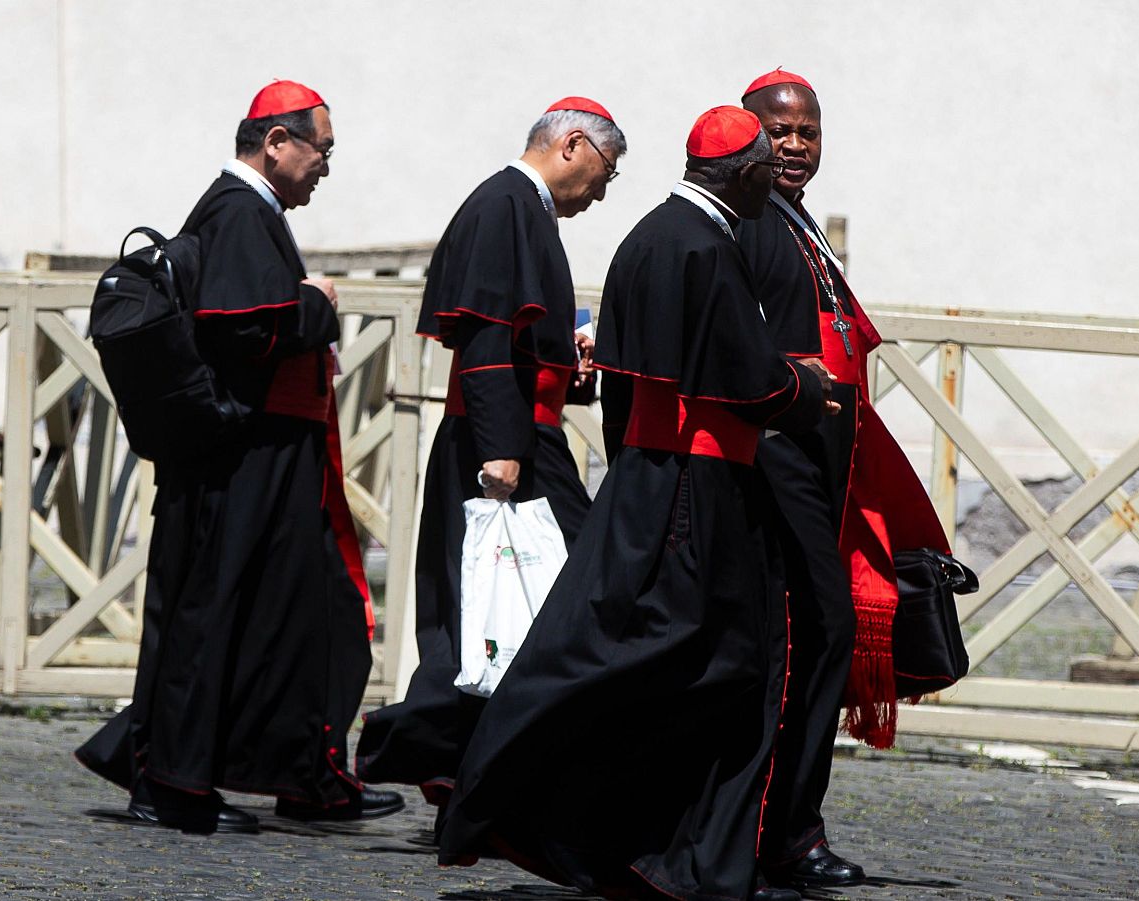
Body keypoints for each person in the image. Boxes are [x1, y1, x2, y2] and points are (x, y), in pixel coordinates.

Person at [435, 106, 833, 901]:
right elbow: (749, 380)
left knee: (639, 657)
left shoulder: (647, 237)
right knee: (714, 668)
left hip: (651, 477)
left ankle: (635, 843)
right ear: (743, 173)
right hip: (704, 485)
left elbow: (624, 379)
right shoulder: (707, 248)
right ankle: (677, 858)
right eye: (764, 169)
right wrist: (804, 386)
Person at [75, 80, 403, 833]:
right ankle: (175, 784)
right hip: (243, 455)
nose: (325, 165)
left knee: (294, 613)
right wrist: (317, 301)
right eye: (320, 149)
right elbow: (242, 326)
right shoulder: (240, 209)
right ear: (276, 142)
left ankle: (302, 772)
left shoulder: (251, 211)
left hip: (270, 452)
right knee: (214, 611)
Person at [354, 97, 624, 808]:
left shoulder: (520, 206)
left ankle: (466, 760)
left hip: (516, 435)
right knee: (523, 597)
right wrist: (502, 450)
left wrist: (569, 360)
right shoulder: (506, 202)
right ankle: (437, 749)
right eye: (605, 169)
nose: (603, 189)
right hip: (504, 444)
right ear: (572, 145)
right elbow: (482, 336)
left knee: (498, 603)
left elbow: (522, 335)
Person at [735, 68, 950, 887]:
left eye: (808, 133)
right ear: (746, 132)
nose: (794, 146)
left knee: (818, 642)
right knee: (807, 640)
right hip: (780, 471)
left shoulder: (795, 219)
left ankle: (791, 829)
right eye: (779, 132)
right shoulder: (749, 222)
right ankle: (774, 832)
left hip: (822, 472)